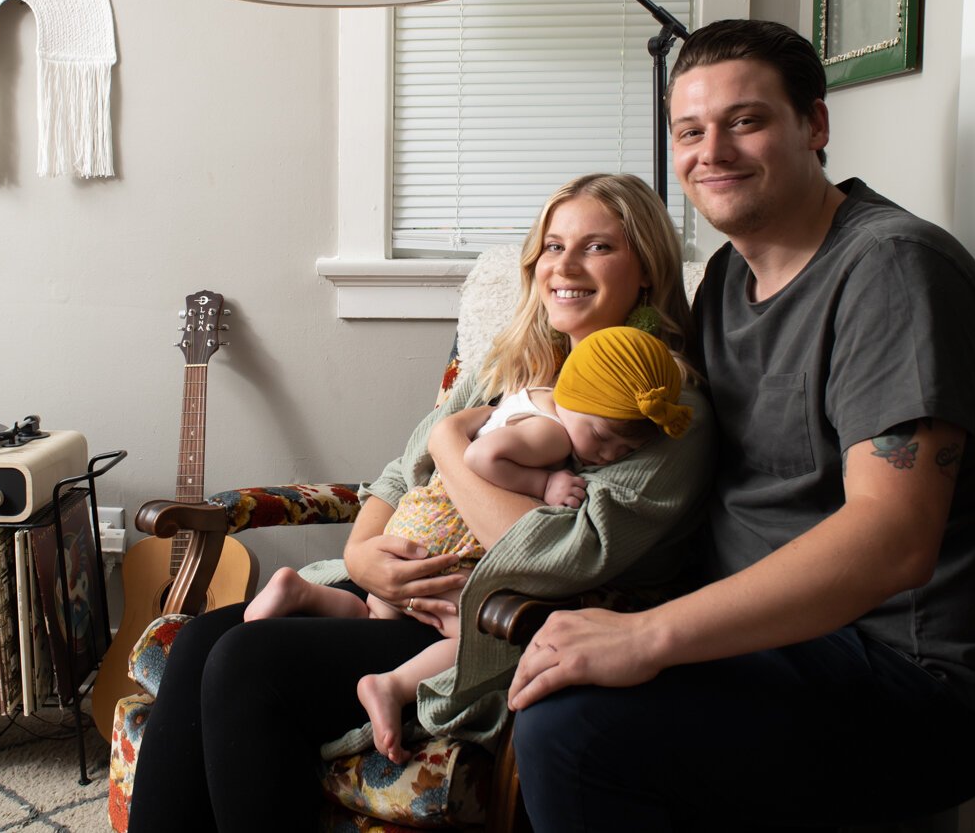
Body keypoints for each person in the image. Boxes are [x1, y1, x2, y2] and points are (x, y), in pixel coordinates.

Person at [506, 19, 975, 830]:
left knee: (571, 732)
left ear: (815, 126)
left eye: (745, 121)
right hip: (764, 637)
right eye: (690, 130)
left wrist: (648, 634)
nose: (710, 151)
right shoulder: (724, 278)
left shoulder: (891, 272)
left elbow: (894, 538)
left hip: (910, 672)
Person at [126, 173, 714, 833]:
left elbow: (554, 559)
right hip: (398, 584)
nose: (565, 266)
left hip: (484, 624)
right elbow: (398, 476)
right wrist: (362, 554)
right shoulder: (511, 364)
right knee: (205, 637)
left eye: (598, 247)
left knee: (246, 663)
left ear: (647, 270)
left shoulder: (660, 406)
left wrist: (449, 440)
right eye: (552, 246)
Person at [242, 326, 694, 764]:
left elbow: (570, 549)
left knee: (355, 618)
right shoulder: (552, 431)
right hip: (447, 537)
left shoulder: (531, 391)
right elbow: (478, 457)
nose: (608, 455)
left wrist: (447, 439)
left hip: (417, 523)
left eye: (622, 451)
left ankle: (300, 591)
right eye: (602, 438)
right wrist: (546, 480)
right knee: (482, 639)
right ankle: (394, 686)